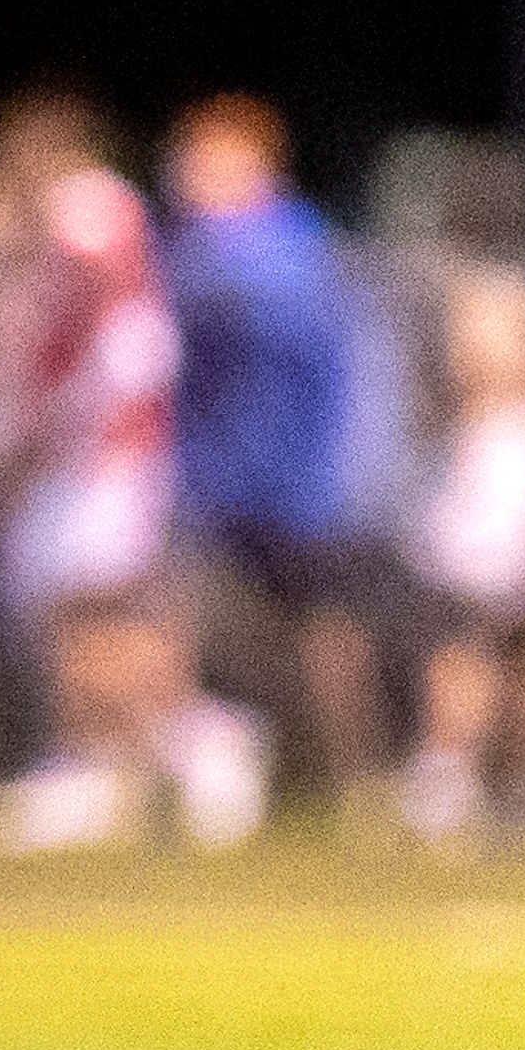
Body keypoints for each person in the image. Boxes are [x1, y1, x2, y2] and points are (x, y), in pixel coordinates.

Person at [0, 93, 208, 851]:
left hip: (102, 455)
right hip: (98, 450)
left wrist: (43, 431)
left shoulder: (88, 223)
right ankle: (148, 758)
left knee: (87, 613)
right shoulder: (89, 225)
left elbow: (92, 348)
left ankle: (113, 764)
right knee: (94, 612)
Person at [160, 94, 384, 821]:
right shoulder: (204, 249)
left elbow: (234, 310)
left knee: (327, 634)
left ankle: (358, 789)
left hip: (298, 486)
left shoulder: (284, 248)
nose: (189, 172)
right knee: (170, 615)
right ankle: (179, 775)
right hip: (215, 481)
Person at [396, 260, 525, 847]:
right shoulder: (465, 431)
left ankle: (463, 781)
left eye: (476, 338)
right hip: (450, 581)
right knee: (453, 660)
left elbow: (514, 532)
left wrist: (467, 572)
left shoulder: (523, 438)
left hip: (491, 585)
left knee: (468, 663)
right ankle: (455, 779)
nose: (462, 352)